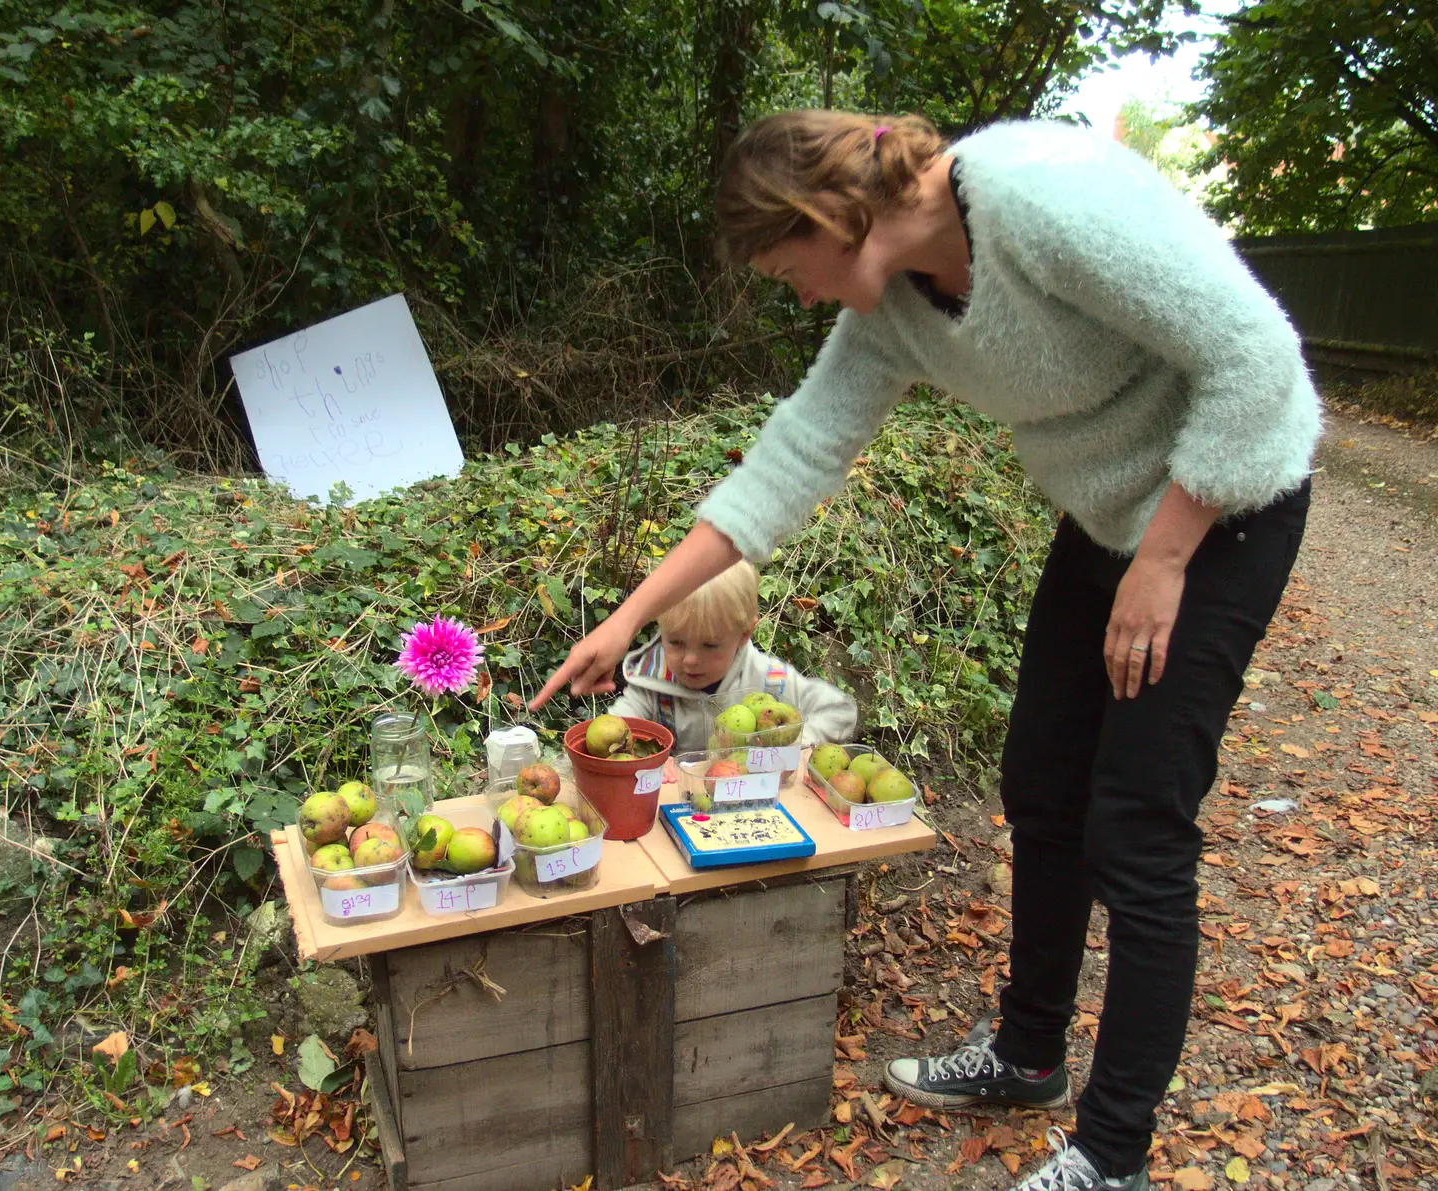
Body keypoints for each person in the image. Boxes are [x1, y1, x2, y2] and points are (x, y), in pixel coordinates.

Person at [532, 109, 1319, 1191]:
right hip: (1107, 524)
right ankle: (1028, 1054)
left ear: (824, 215)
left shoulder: (1040, 195)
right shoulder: (893, 311)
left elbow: (1254, 354)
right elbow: (785, 462)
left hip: (1219, 512)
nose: (798, 295)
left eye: (786, 267)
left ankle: (1114, 1153)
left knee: (1135, 829)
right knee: (1040, 788)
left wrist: (1167, 555)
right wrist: (626, 619)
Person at [604, 559, 857, 751]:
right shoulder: (651, 684)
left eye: (710, 645)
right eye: (676, 642)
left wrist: (791, 743)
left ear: (744, 634)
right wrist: (647, 761)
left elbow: (840, 711)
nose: (690, 659)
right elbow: (613, 730)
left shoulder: (771, 680)